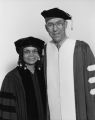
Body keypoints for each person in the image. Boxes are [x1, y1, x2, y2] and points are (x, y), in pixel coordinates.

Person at [41, 8, 95, 120]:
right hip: (52, 112)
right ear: (46, 28)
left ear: (65, 24)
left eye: (59, 24)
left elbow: (92, 85)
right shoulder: (44, 51)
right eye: (50, 25)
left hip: (78, 113)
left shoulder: (81, 48)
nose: (55, 29)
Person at [0, 36, 47, 120]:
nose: (31, 55)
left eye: (35, 51)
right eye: (27, 51)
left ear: (39, 53)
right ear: (21, 54)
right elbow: (8, 110)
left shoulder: (44, 74)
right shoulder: (12, 78)